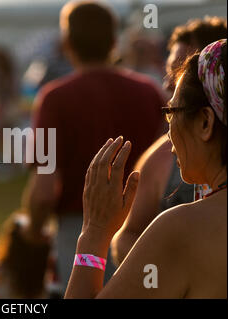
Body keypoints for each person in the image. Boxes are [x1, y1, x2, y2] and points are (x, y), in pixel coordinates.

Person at [20, 0, 164, 296]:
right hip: (145, 232)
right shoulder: (149, 93)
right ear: (114, 41)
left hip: (79, 233)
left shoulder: (54, 98)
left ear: (67, 43)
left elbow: (44, 190)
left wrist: (32, 234)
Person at [65, 39, 227, 298]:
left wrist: (94, 233)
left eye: (172, 111)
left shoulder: (182, 229)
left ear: (205, 122)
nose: (168, 132)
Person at [111, 16, 227, 265]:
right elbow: (127, 235)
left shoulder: (176, 223)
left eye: (180, 73)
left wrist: (91, 238)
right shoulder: (161, 154)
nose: (167, 83)